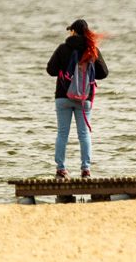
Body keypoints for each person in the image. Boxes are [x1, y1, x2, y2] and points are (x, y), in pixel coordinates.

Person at [46, 19, 108, 178]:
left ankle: (61, 169)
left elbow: (50, 70)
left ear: (73, 31)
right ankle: (85, 169)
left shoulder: (62, 48)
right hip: (84, 97)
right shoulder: (92, 50)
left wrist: (64, 68)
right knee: (84, 134)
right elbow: (104, 73)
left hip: (63, 96)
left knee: (62, 134)